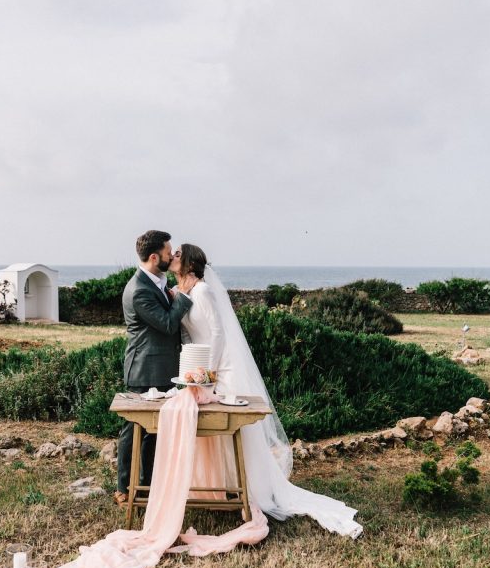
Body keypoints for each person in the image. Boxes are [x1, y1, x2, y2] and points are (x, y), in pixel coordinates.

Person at [169, 244, 362, 538]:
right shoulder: (185, 291)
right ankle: (221, 487)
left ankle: (251, 490)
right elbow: (187, 332)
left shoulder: (205, 291)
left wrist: (210, 371)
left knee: (235, 431)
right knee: (211, 434)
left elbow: (218, 332)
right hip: (197, 371)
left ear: (190, 263)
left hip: (218, 369)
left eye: (178, 254)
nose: (173, 256)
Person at [115, 230, 199, 506]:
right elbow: (166, 323)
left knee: (153, 433)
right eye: (167, 252)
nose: (171, 255)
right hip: (145, 369)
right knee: (134, 430)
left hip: (162, 367)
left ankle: (149, 485)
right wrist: (184, 296)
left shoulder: (157, 281)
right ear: (154, 257)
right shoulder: (139, 290)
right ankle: (124, 489)